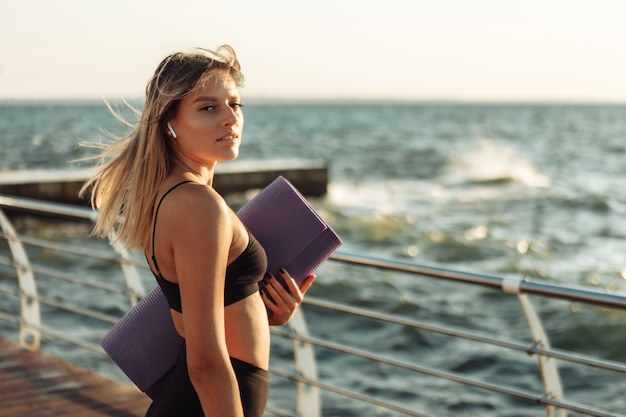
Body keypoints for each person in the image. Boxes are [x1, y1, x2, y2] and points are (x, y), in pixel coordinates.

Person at [81, 45, 315, 417]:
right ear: (170, 121)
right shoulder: (197, 206)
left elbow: (195, 319)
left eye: (234, 104)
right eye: (208, 107)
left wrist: (260, 311)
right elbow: (205, 363)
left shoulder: (173, 194)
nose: (229, 118)